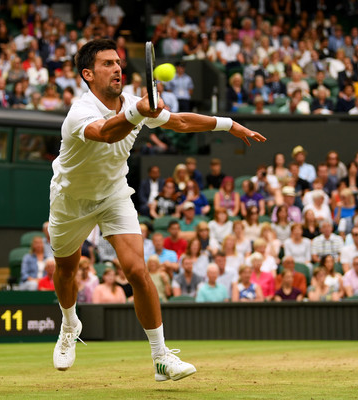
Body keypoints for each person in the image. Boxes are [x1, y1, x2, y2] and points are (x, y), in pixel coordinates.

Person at [47, 39, 264, 379]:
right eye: (107, 64)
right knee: (65, 270)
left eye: (118, 62)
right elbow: (106, 133)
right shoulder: (80, 112)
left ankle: (161, 357)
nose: (117, 68)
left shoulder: (135, 103)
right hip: (70, 200)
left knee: (137, 271)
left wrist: (227, 124)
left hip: (114, 195)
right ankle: (70, 323)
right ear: (88, 74)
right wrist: (138, 112)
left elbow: (179, 122)